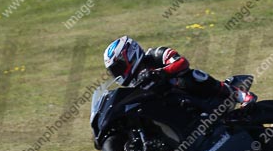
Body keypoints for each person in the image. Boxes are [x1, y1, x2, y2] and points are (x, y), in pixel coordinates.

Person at [104, 35, 256, 109]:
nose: (118, 72)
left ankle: (239, 94)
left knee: (189, 77)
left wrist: (161, 73)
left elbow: (182, 62)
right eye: (114, 70)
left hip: (191, 92)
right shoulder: (132, 82)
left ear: (130, 54)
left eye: (119, 67)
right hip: (174, 106)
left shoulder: (156, 54)